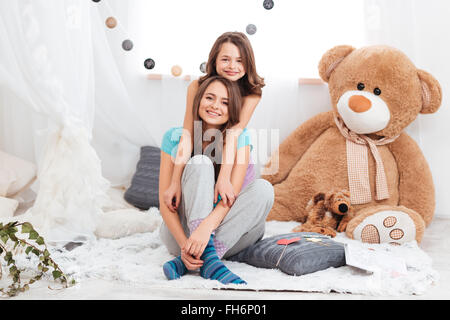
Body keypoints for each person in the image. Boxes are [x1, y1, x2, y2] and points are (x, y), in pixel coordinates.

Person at [159, 76, 274, 284]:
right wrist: (186, 245)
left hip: (228, 236)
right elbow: (164, 204)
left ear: (235, 109)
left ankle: (199, 258)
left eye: (225, 102)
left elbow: (229, 200)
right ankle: (206, 259)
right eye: (209, 98)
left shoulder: (241, 139)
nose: (215, 106)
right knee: (200, 162)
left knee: (264, 189)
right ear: (198, 100)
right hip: (182, 239)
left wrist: (205, 231)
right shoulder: (174, 138)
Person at [163, 31, 265, 216]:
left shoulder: (252, 93)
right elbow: (188, 133)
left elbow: (233, 134)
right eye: (225, 59)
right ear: (214, 61)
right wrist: (175, 181)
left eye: (240, 60)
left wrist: (224, 178)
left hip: (232, 153)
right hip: (203, 149)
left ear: (248, 63)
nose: (232, 66)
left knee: (226, 200)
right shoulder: (197, 86)